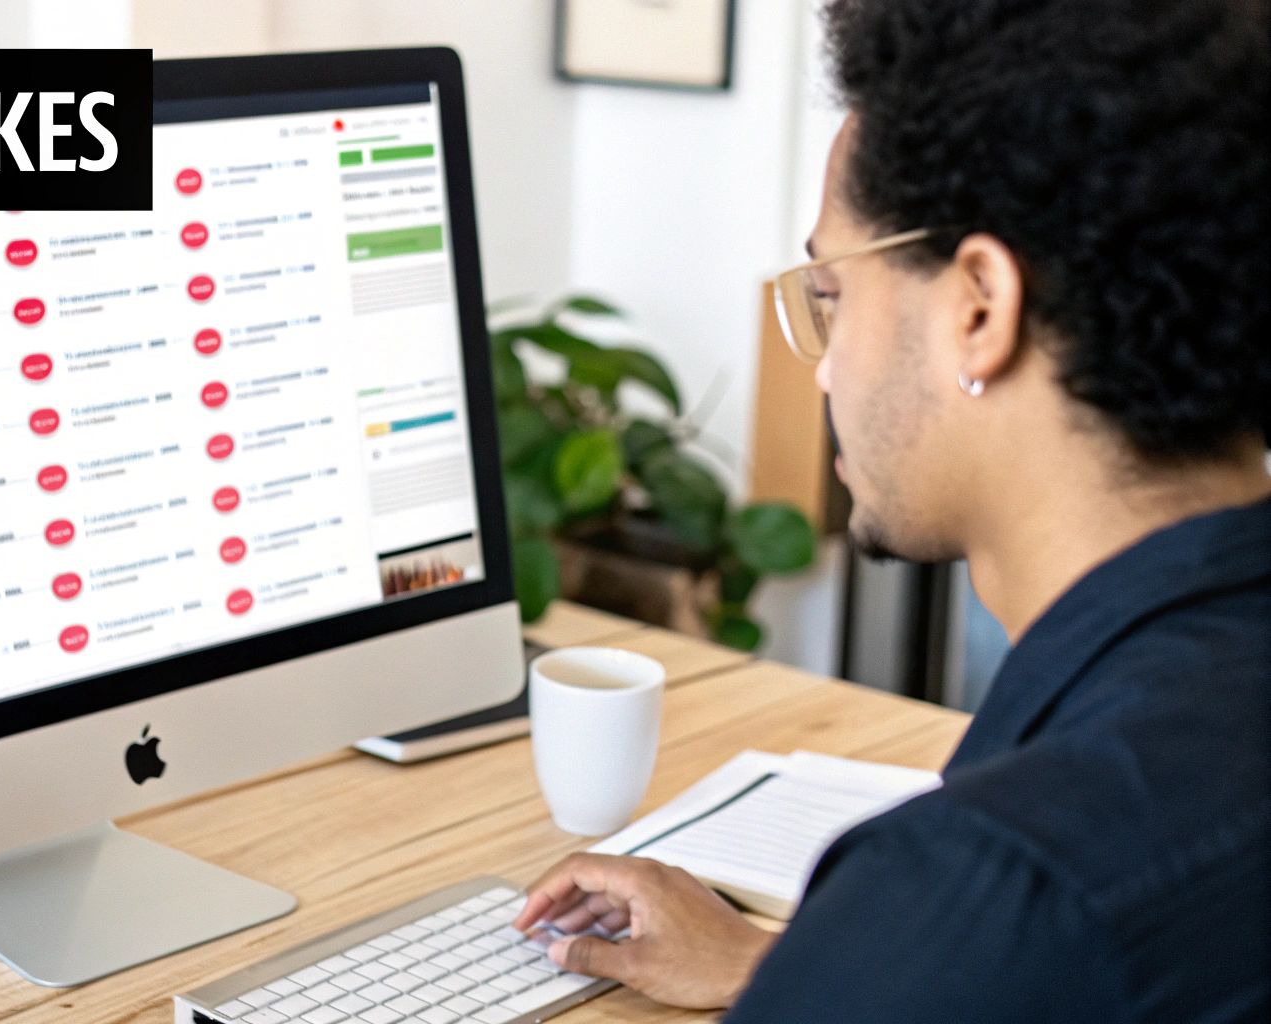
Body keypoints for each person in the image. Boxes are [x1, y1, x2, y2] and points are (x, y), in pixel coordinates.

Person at [511, 0, 1271, 1019]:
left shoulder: (984, 888)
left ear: (977, 309)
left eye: (831, 289)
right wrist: (794, 967)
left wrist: (879, 957)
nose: (824, 366)